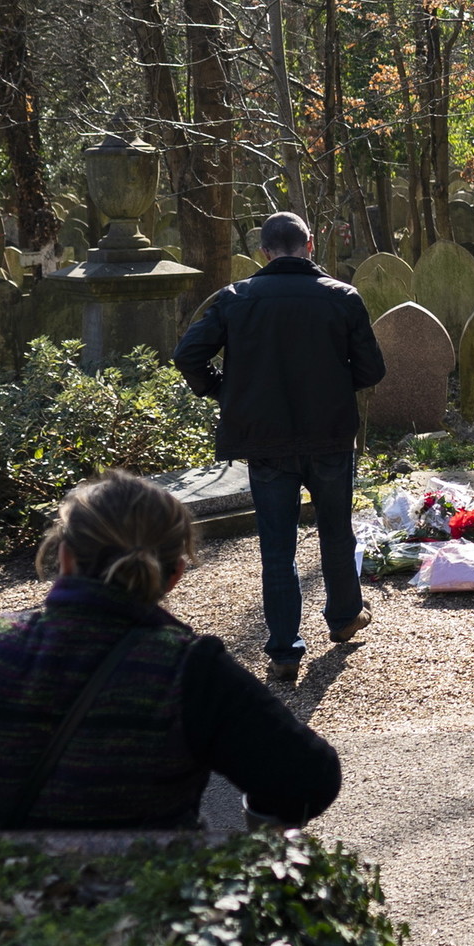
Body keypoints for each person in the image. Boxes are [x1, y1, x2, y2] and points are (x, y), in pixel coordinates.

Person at [0, 471, 341, 830]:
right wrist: (261, 820)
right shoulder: (188, 668)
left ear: (63, 558)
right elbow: (309, 779)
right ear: (175, 574)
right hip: (148, 914)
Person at [172, 212, 385, 682]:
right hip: (328, 434)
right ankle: (345, 616)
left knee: (276, 544)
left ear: (264, 250)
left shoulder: (235, 298)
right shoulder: (342, 297)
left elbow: (188, 354)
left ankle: (285, 650)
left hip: (266, 441)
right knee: (335, 529)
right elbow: (371, 371)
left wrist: (223, 389)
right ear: (309, 244)